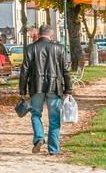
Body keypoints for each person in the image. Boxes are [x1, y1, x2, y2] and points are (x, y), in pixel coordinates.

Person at [19, 24, 73, 155]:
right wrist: (68, 89)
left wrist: (22, 90)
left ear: (39, 33)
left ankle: (39, 137)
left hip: (36, 86)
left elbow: (24, 71)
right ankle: (54, 149)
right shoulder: (59, 48)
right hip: (54, 87)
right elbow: (65, 71)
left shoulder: (30, 48)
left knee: (35, 114)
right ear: (51, 34)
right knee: (54, 118)